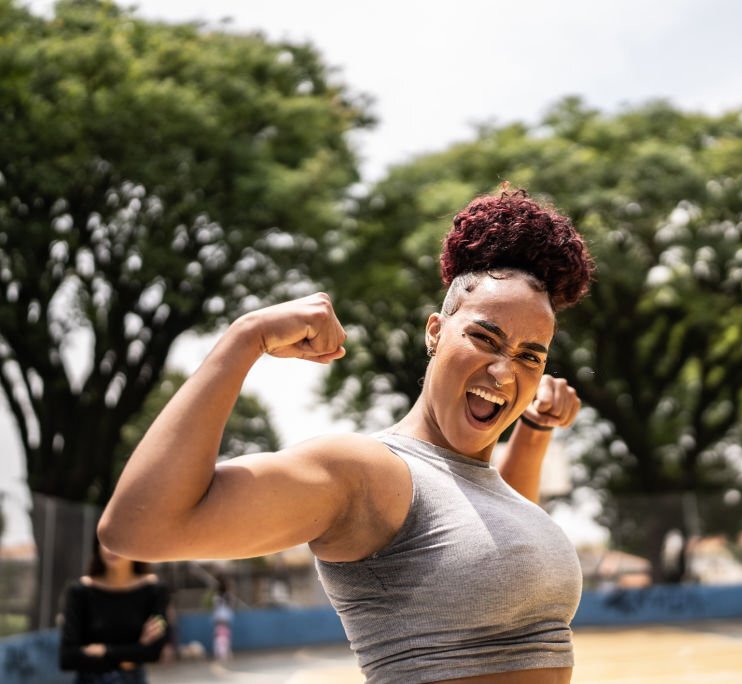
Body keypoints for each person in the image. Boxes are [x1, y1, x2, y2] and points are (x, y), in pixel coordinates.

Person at [99, 187, 595, 683]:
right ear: (434, 331)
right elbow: (137, 529)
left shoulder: (478, 484)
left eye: (531, 355)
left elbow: (500, 539)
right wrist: (245, 337)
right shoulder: (366, 470)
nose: (506, 373)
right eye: (484, 338)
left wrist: (532, 432)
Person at [59, 534, 169, 683]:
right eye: (106, 541)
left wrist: (104, 651)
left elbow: (153, 652)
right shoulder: (78, 591)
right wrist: (133, 654)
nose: (111, 549)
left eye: (120, 541)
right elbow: (68, 658)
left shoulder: (155, 590)